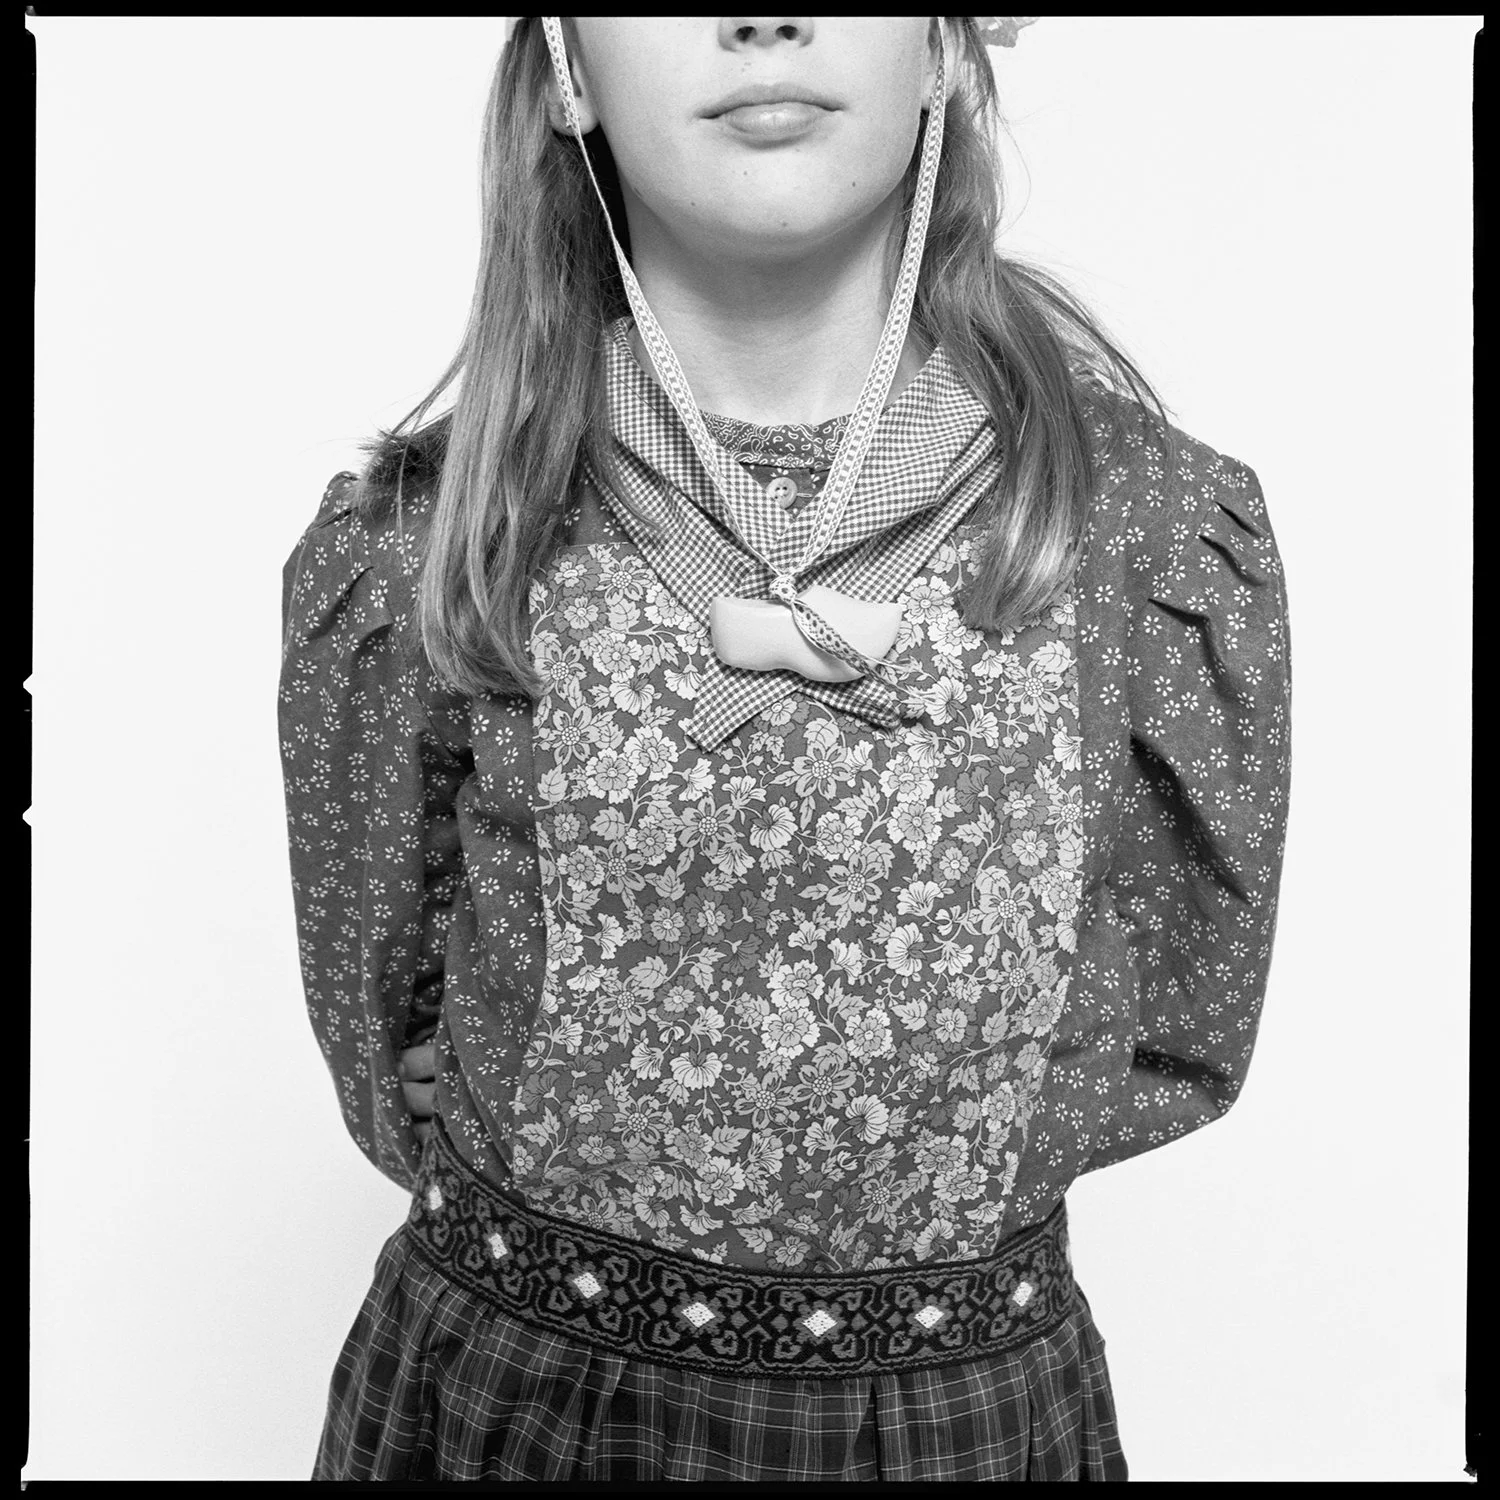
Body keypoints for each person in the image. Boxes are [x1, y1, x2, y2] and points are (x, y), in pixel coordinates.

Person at [278, 15, 1292, 1483]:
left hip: (960, 1429)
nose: (764, 17)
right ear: (567, 70)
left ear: (947, 45)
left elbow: (1183, 1016)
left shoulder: (1142, 534)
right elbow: (394, 1029)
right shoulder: (440, 538)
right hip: (515, 1421)